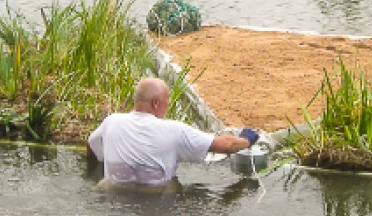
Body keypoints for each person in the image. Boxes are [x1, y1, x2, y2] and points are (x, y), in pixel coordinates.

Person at [87, 77, 259, 188]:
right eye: (166, 101)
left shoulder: (112, 121)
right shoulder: (174, 131)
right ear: (155, 103)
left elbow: (90, 145)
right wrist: (247, 139)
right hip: (155, 198)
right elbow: (226, 145)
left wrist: (92, 170)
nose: (168, 105)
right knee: (175, 188)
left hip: (114, 193)